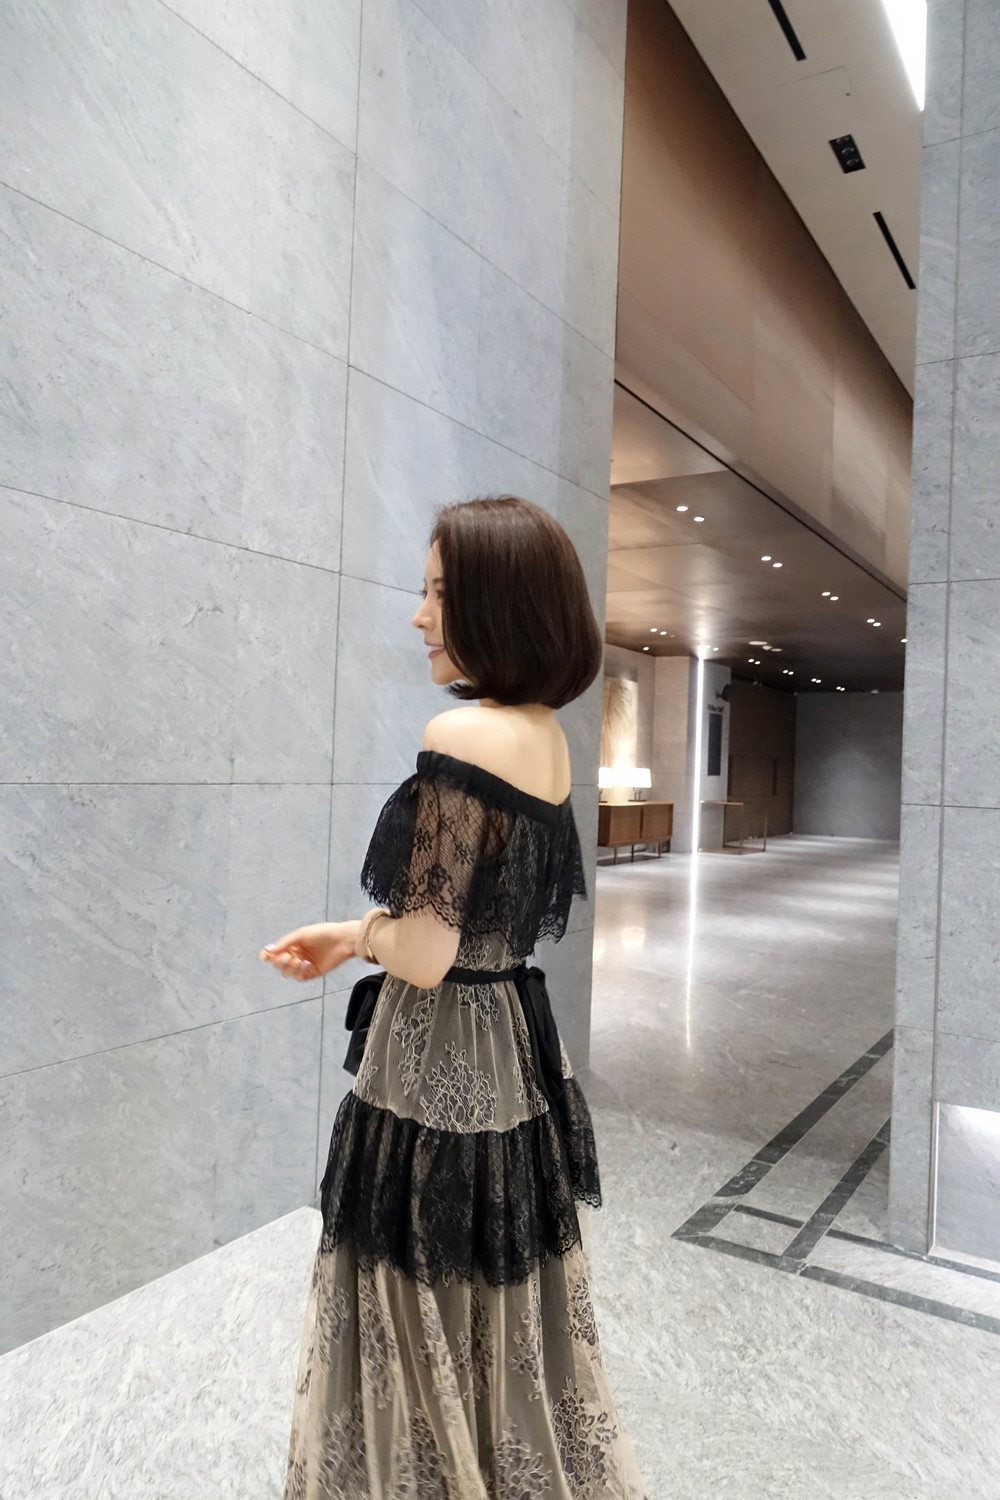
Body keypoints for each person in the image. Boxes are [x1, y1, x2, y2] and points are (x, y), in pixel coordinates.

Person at [261, 495, 647, 1498]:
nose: (419, 615)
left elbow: (426, 954)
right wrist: (354, 934)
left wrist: (360, 937)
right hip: (508, 1047)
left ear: (497, 606)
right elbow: (473, 927)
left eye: (439, 593)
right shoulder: (545, 735)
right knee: (495, 1290)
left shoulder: (463, 736)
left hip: (434, 1057)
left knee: (407, 1283)